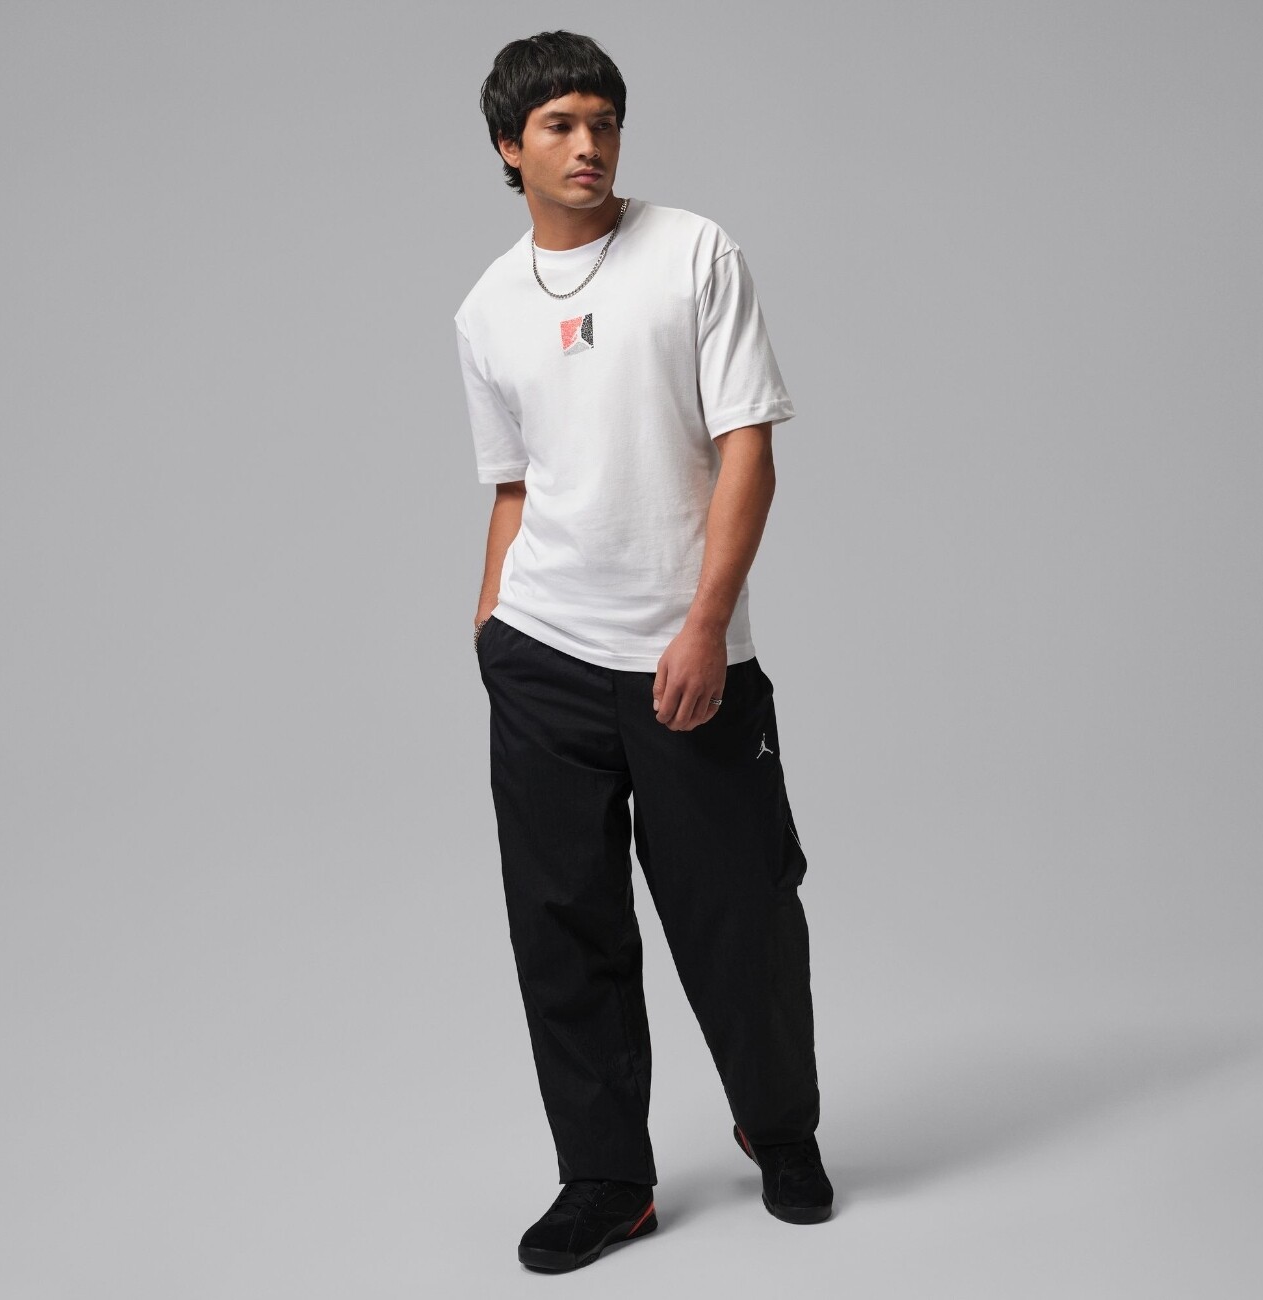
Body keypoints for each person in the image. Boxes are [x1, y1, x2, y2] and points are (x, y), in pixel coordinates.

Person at [454, 30, 833, 1273]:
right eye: (559, 125)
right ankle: (607, 1179)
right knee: (562, 927)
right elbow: (514, 483)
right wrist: (490, 618)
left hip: (685, 654)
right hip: (541, 659)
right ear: (509, 148)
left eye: (603, 120)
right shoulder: (486, 309)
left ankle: (779, 1128)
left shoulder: (692, 254)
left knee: (743, 916)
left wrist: (706, 625)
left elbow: (748, 448)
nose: (589, 144)